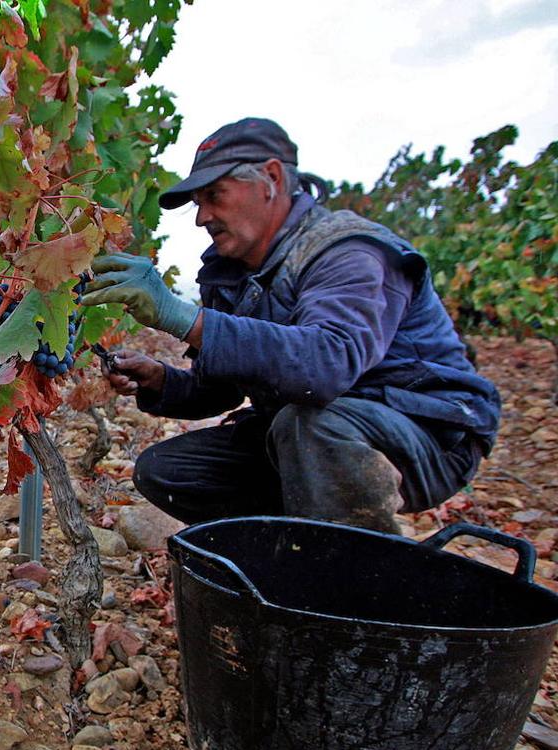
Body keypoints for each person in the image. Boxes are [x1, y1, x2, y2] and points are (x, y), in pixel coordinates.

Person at [79, 117, 500, 533]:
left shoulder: (347, 251)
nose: (201, 217)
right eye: (197, 203)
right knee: (170, 471)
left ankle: (354, 574)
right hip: (309, 433)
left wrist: (182, 316)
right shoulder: (231, 272)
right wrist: (160, 381)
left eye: (214, 196)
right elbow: (222, 389)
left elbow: (325, 367)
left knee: (308, 424)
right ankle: (287, 548)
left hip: (424, 434)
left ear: (271, 178)